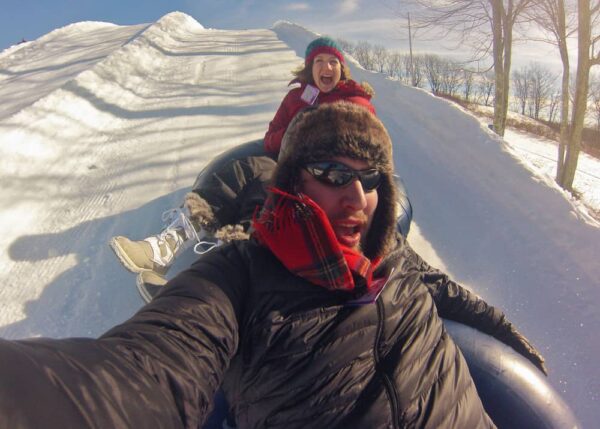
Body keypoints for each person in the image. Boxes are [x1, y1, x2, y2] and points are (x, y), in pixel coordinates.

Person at [0, 102, 546, 428]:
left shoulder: (395, 257)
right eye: (333, 173)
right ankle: (182, 231)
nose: (357, 197)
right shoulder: (237, 281)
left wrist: (511, 340)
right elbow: (139, 375)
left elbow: (456, 297)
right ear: (293, 180)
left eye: (371, 178)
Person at [109, 36, 375, 284]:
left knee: (282, 200)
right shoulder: (297, 98)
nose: (326, 67)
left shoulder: (353, 98)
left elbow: (366, 139)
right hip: (289, 162)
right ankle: (171, 243)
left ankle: (232, 272)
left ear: (342, 68)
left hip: (331, 176)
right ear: (310, 67)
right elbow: (270, 138)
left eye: (332, 62)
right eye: (319, 61)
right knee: (247, 172)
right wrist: (295, 130)